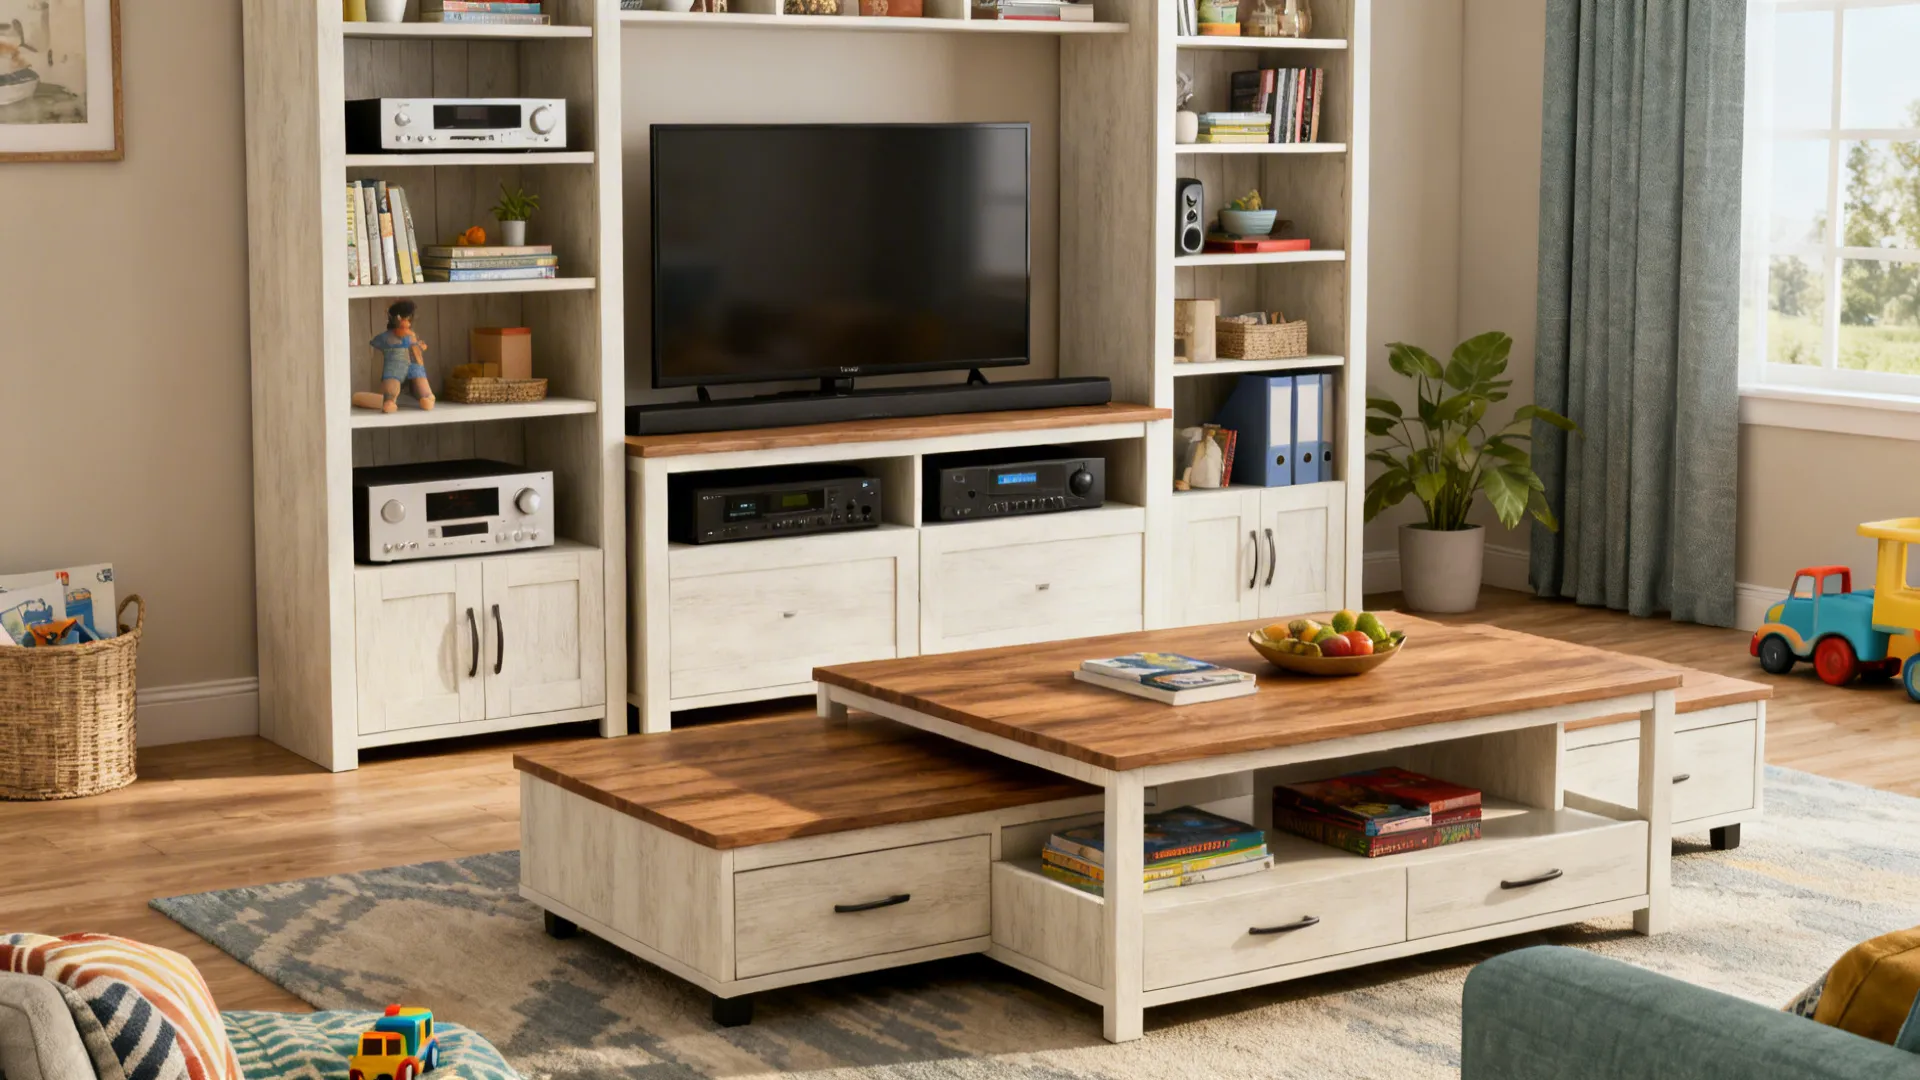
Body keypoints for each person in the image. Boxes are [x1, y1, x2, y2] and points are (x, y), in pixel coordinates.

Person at [364, 300, 434, 413]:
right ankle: (390, 401)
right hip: (394, 367)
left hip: (415, 365)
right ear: (395, 319)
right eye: (401, 318)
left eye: (408, 318)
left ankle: (427, 398)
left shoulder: (412, 335)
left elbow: (416, 348)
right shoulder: (386, 337)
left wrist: (419, 346)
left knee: (422, 385)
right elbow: (374, 345)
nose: (404, 322)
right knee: (391, 387)